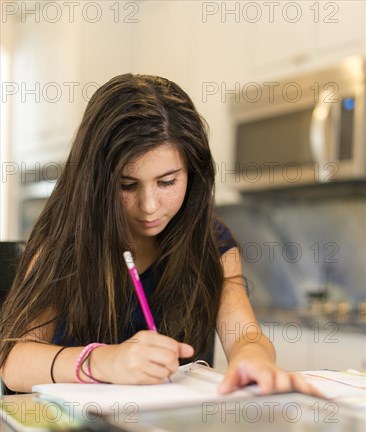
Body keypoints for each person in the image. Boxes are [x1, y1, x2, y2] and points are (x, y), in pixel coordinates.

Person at [0, 74, 314, 396]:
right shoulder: (62, 244)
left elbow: (244, 335)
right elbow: (14, 364)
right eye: (127, 185)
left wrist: (253, 359)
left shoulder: (212, 243)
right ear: (95, 182)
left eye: (167, 182)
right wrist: (104, 361)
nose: (149, 206)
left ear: (193, 174)